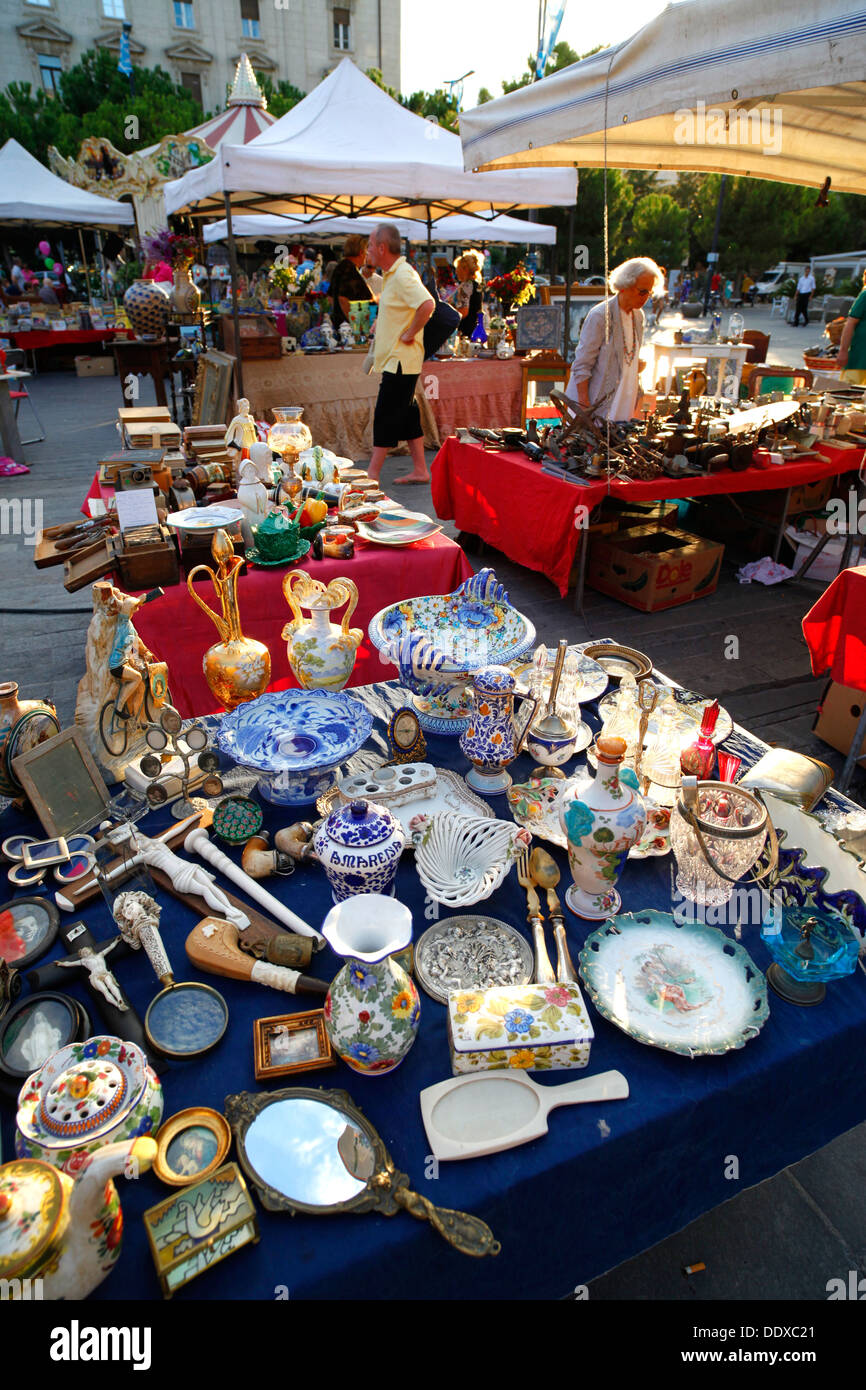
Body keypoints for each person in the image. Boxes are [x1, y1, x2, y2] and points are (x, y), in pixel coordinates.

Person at [365, 222, 435, 485]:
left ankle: (372, 474)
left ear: (382, 247)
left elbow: (427, 304)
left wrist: (410, 332)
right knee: (407, 414)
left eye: (371, 245)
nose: (369, 250)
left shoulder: (403, 274)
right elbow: (397, 305)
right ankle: (421, 470)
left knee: (385, 413)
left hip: (401, 362)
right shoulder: (394, 274)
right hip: (399, 361)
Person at [564, 257, 662, 422]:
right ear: (625, 287)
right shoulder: (600, 316)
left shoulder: (638, 316)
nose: (646, 298)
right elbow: (582, 364)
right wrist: (583, 403)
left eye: (649, 292)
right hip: (595, 402)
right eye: (642, 291)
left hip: (624, 399)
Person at [329, 234, 374, 331]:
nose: (366, 255)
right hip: (350, 328)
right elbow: (342, 298)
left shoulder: (342, 267)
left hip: (342, 326)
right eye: (366, 252)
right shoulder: (348, 270)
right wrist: (355, 325)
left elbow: (330, 297)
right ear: (361, 252)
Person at [836, 269, 866, 384]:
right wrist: (843, 351)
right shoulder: (865, 295)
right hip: (860, 356)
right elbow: (850, 323)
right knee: (848, 393)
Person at [453, 250, 484, 338]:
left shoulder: (466, 286)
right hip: (475, 327)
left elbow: (464, 311)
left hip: (465, 329)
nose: (456, 271)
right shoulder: (476, 284)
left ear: (465, 269)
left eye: (458, 268)